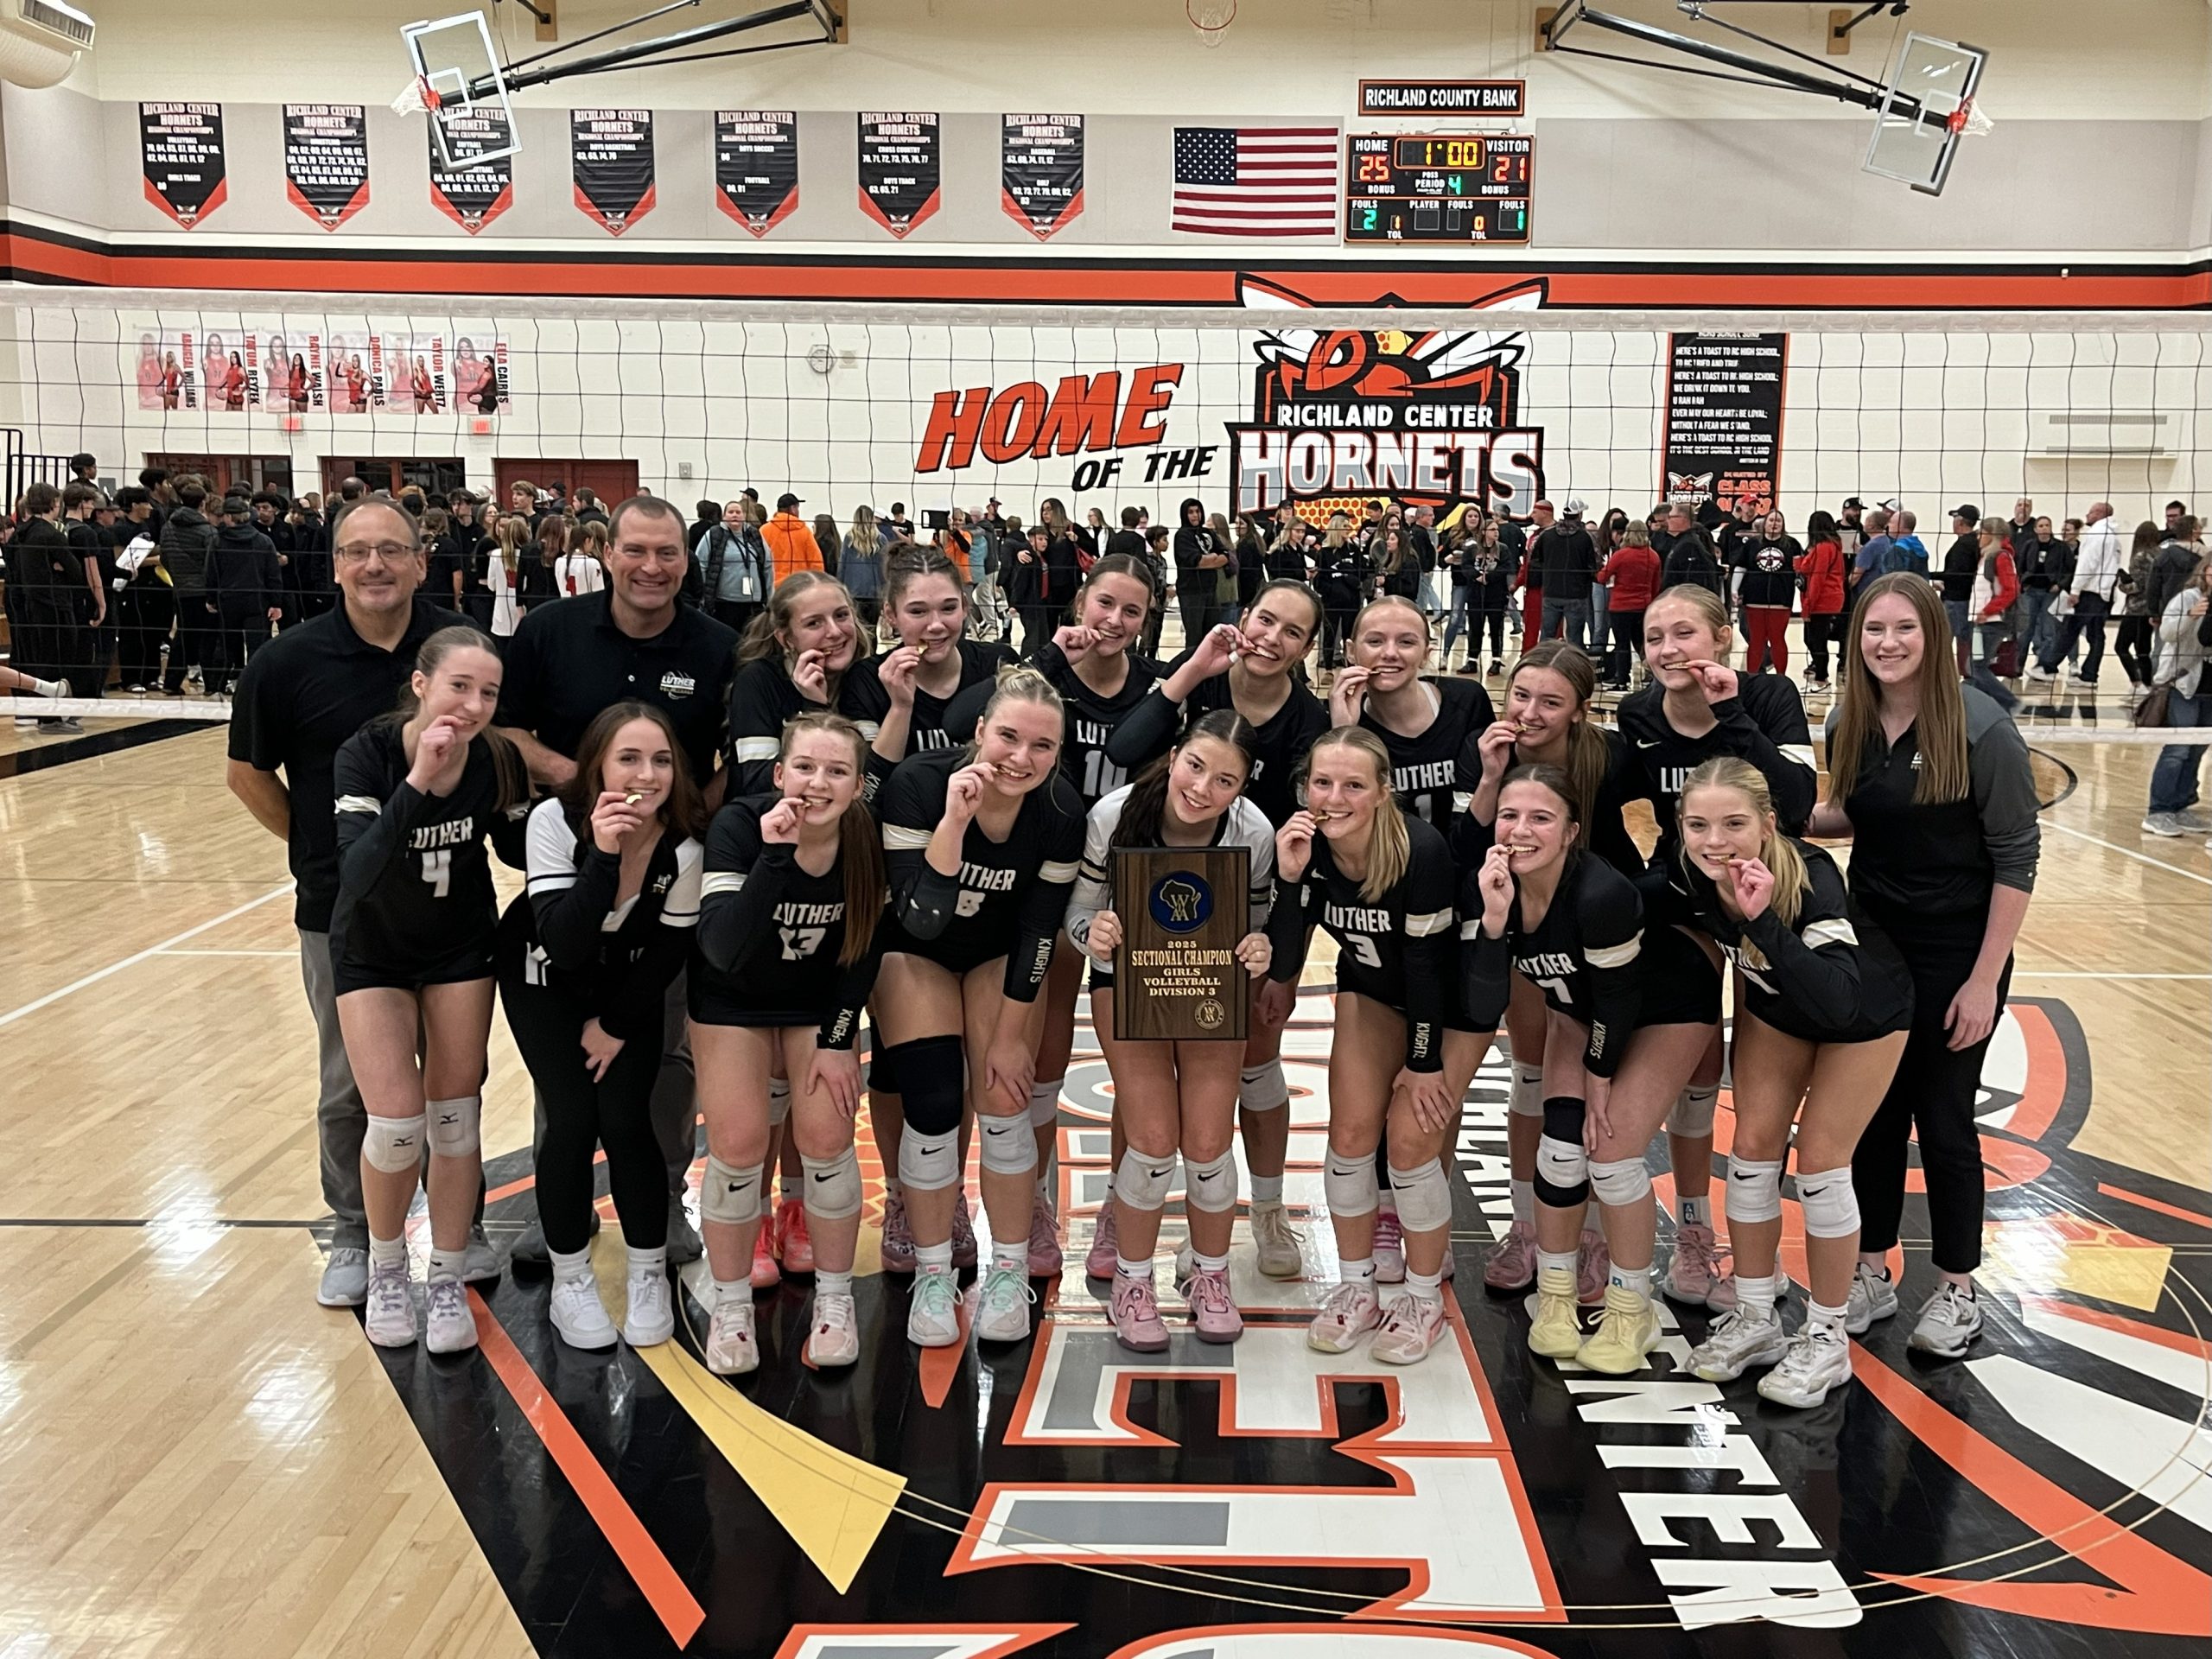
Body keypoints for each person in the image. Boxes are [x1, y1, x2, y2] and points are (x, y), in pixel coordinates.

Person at [227, 499, 496, 1306]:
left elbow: (501, 761)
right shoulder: (286, 662)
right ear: (334, 563)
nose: (374, 565)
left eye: (392, 550)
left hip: (451, 915)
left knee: (457, 1088)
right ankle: (354, 1232)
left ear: (421, 559)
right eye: (357, 552)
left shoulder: (462, 650)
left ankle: (461, 1234)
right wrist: (320, 857)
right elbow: (247, 776)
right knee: (354, 1087)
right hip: (342, 913)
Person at [494, 497, 742, 1267]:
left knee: (661, 1047)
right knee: (563, 1059)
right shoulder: (548, 632)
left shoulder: (716, 647)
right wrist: (586, 786)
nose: (652, 567)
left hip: (665, 873)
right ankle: (559, 1207)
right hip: (570, 866)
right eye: (637, 550)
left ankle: (661, 1200)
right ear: (608, 554)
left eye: (668, 553)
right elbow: (505, 730)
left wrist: (688, 815)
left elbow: (733, 756)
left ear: (686, 560)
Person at [1812, 574, 2038, 1357]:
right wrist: (1768, 818)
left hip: (1958, 948)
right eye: (1874, 629)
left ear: (1933, 637)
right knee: (1872, 1112)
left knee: (1944, 1117)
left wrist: (1983, 980)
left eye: (1905, 628)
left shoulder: (1983, 729)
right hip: (1875, 937)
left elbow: (2017, 858)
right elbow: (1857, 812)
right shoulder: (1851, 717)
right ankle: (1871, 1267)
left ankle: (1956, 1288)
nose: (1888, 643)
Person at [1100, 584, 1328, 1280]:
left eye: (1293, 631)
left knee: (1256, 1067)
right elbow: (1125, 747)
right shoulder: (1196, 674)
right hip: (1151, 909)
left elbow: (1303, 853)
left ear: (1306, 649)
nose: (1272, 637)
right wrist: (1194, 669)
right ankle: (1122, 1208)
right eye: (1265, 619)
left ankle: (1265, 1210)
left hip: (1252, 908)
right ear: (1244, 618)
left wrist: (1282, 964)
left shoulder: (1308, 720)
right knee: (1143, 1084)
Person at [1675, 760, 1914, 1406]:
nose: (1714, 840)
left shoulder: (1811, 879)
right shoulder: (1690, 869)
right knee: (1750, 1150)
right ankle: (1756, 1319)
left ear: (1768, 824)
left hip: (1863, 1017)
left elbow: (1837, 1001)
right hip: (1780, 1009)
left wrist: (1762, 923)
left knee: (1822, 1164)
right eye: (1698, 824)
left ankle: (1828, 1338)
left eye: (1733, 824)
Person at [1617, 583, 1818, 1307]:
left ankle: (1761, 1263)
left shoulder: (1768, 697)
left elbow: (1796, 806)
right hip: (1689, 907)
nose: (1669, 650)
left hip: (1773, 905)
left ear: (1724, 636)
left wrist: (1731, 710)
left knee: (1759, 1096)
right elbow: (1616, 804)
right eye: (1654, 638)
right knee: (1698, 1074)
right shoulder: (1637, 713)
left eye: (1685, 634)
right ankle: (1694, 1237)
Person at [330, 626, 531, 1349]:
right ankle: (388, 1267)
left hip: (457, 951)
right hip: (373, 953)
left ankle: (444, 1275)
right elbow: (356, 871)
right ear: (420, 684)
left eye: (488, 693)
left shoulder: (495, 758)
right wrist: (419, 780)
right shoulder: (369, 753)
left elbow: (516, 844)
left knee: (455, 1120)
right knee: (394, 1123)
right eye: (459, 687)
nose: (473, 705)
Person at [872, 672, 1086, 1349]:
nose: (1022, 758)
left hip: (999, 956)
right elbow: (921, 919)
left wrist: (1015, 1037)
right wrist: (955, 823)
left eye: (1042, 746)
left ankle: (1007, 1271)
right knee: (933, 1103)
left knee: (1004, 1098)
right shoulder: (916, 784)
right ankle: (935, 1275)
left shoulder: (1060, 811)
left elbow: (1038, 932)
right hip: (916, 954)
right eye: (1009, 738)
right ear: (979, 733)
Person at [1268, 727, 1491, 1364]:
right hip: (1371, 989)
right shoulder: (1307, 844)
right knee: (1349, 1137)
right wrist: (1288, 881)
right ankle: (1357, 1287)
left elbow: (1427, 971)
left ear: (1383, 792)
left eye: (1353, 785)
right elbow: (1287, 956)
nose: (1334, 797)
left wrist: (1423, 1064)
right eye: (1322, 783)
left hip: (1453, 1007)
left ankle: (1422, 1299)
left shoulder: (1420, 852)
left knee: (1412, 1141)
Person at [1068, 712, 1276, 1348]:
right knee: (1154, 1141)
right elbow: (1078, 912)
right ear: (1174, 753)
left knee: (1210, 1143)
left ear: (1242, 788)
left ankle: (1210, 1277)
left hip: (1212, 982)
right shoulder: (1114, 813)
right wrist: (1093, 934)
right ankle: (1134, 1284)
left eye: (1224, 780)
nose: (1202, 788)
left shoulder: (1254, 832)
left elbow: (1258, 917)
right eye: (1195, 766)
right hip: (1130, 980)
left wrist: (1260, 947)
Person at [499, 703, 704, 1351]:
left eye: (661, 760)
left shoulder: (687, 846)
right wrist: (606, 856)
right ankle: (570, 1280)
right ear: (598, 767)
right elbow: (562, 941)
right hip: (544, 976)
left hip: (627, 987)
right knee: (570, 1121)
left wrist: (615, 1025)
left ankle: (647, 1274)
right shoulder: (553, 821)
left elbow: (670, 956)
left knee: (627, 1121)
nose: (647, 774)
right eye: (629, 759)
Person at [693, 714, 887, 1372]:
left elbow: (862, 954)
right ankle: (730, 1307)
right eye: (804, 768)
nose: (817, 783)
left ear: (859, 786)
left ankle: (835, 1302)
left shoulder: (864, 839)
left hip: (815, 1005)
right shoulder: (741, 827)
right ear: (778, 774)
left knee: (829, 1137)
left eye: (837, 771)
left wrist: (838, 1041)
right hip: (731, 999)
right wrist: (774, 859)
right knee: (740, 1144)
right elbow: (720, 949)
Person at [1462, 766, 1666, 1370]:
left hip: (1663, 1013)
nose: (1520, 831)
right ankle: (1554, 1298)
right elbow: (1480, 1005)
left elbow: (1622, 1001)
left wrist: (1598, 1078)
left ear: (1572, 832)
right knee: (1558, 1152)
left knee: (1610, 1153)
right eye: (1509, 815)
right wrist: (1495, 923)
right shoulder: (1498, 882)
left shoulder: (1601, 896)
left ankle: (1633, 1307)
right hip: (1581, 1012)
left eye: (1541, 818)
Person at [1463, 645, 1639, 1302]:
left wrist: (1641, 900)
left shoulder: (1610, 755)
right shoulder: (1489, 749)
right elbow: (1464, 845)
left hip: (1598, 926)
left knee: (1599, 1089)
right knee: (1531, 1072)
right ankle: (1528, 1225)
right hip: (1524, 918)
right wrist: (1488, 778)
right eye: (1521, 695)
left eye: (1550, 702)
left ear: (1579, 713)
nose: (1530, 713)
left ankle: (1588, 1232)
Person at [2142, 551, 2212, 838]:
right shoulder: (2187, 598)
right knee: (2178, 748)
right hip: (2181, 683)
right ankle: (2158, 810)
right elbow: (2167, 634)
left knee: (2198, 747)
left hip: (2208, 685)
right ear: (2204, 570)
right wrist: (2189, 616)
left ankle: (2182, 805)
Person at [2031, 502, 2120, 686]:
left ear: (2099, 513)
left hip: (2090, 591)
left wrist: (2076, 590)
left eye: (2090, 512)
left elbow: (2087, 564)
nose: (2087, 515)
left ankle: (2047, 667)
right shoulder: (2112, 536)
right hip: (2103, 592)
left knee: (2069, 629)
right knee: (2096, 635)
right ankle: (2089, 675)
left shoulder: (2097, 535)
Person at [206, 494, 283, 695]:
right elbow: (273, 574)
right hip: (257, 601)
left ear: (229, 517)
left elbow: (211, 573)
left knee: (228, 646)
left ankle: (219, 685)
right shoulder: (263, 541)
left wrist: (211, 598)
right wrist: (276, 602)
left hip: (228, 601)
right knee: (257, 646)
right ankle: (257, 687)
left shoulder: (217, 542)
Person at [157, 479, 220, 694]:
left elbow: (164, 558)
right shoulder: (207, 532)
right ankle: (212, 685)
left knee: (183, 636)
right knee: (208, 639)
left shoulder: (167, 527)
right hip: (203, 592)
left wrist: (178, 577)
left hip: (181, 590)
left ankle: (171, 683)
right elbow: (213, 564)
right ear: (203, 503)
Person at [1595, 520, 1661, 691]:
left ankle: (1621, 681)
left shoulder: (1621, 555)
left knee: (1622, 645)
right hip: (1643, 606)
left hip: (1620, 607)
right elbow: (1656, 586)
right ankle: (1654, 677)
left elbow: (1602, 577)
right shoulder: (1653, 556)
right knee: (1643, 645)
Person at [1736, 510, 1800, 677]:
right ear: (1765, 523)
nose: (1774, 523)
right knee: (1756, 641)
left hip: (1781, 601)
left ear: (1783, 525)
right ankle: (1752, 677)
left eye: (1779, 521)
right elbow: (1741, 567)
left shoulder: (1792, 544)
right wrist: (1734, 589)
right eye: (1771, 520)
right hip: (1754, 600)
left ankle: (1781, 677)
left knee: (1777, 639)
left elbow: (1801, 570)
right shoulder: (1752, 544)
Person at [1796, 511, 1847, 693]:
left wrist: (1808, 607)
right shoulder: (1834, 546)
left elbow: (1817, 579)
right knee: (1815, 639)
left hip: (1822, 601)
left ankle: (1821, 680)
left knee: (1815, 640)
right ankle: (1821, 676)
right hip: (1830, 598)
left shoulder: (1824, 548)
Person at [2114, 519, 2164, 695]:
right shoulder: (2161, 554)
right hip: (2153, 608)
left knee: (2121, 647)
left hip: (2137, 609)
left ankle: (2137, 682)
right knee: (2143, 648)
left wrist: (2122, 585)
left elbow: (2139, 585)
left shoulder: (2140, 556)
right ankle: (2147, 682)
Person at [1170, 498, 1228, 649]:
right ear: (1184, 514)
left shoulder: (1208, 532)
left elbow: (1226, 556)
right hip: (1191, 593)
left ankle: (1212, 671)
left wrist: (1210, 560)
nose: (1195, 515)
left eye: (1197, 511)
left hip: (1210, 591)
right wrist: (1213, 559)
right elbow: (1196, 561)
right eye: (1191, 512)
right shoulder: (1182, 536)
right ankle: (1193, 670)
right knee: (1194, 638)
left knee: (1213, 635)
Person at [1311, 511, 1364, 671]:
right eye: (1344, 526)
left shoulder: (1353, 549)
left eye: (1349, 526)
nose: (1348, 529)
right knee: (1330, 634)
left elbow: (1363, 572)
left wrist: (1352, 579)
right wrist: (1330, 590)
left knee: (1350, 635)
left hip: (1351, 600)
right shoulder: (1324, 552)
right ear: (1335, 528)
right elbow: (1319, 579)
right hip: (1332, 601)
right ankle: (1327, 668)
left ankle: (1351, 667)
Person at [1969, 520, 2021, 675]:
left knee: (1978, 668)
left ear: (1993, 535)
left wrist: (1987, 611)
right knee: (1975, 667)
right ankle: (1977, 697)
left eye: (1982, 533)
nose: (1978, 536)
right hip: (1981, 621)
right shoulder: (1987, 557)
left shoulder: (2001, 557)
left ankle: (2009, 700)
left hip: (1993, 622)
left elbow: (2010, 591)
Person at [1940, 505, 1983, 671]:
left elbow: (1957, 575)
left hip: (1957, 600)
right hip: (1967, 599)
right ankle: (1966, 671)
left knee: (1958, 637)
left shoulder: (1964, 545)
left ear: (1959, 522)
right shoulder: (1975, 542)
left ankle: (1964, 672)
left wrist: (1936, 578)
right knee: (1966, 637)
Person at [840, 505, 889, 634]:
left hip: (853, 592)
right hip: (874, 592)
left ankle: (861, 653)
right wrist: (887, 590)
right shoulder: (880, 539)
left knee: (858, 630)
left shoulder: (849, 538)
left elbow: (842, 564)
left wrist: (839, 587)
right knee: (872, 629)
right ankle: (872, 653)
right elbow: (885, 567)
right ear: (871, 519)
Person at [763, 493, 821, 584]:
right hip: (799, 585)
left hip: (772, 585)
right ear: (793, 508)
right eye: (798, 508)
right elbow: (816, 562)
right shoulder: (804, 531)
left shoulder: (765, 530)